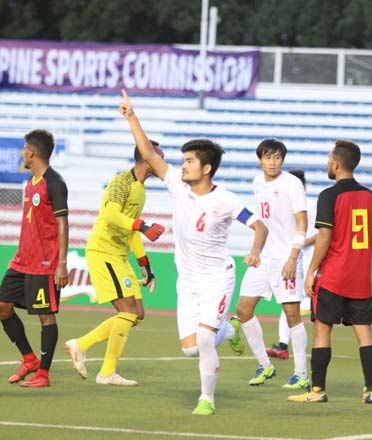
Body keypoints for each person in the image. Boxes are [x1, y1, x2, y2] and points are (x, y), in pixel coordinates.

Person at [119, 89, 268, 415]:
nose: (183, 166)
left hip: (217, 278)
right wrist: (132, 117)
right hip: (188, 282)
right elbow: (148, 153)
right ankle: (230, 329)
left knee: (202, 340)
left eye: (189, 161)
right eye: (183, 161)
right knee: (189, 348)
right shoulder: (178, 185)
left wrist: (255, 252)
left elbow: (260, 227)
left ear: (207, 168)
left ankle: (207, 400)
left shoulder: (226, 200)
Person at [64, 141, 165, 386]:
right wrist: (141, 225)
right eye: (158, 156)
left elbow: (130, 228)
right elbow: (110, 214)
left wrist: (145, 264)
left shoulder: (141, 190)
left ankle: (81, 345)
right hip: (103, 251)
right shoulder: (121, 181)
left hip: (119, 255)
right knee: (128, 312)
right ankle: (106, 372)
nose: (162, 161)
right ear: (146, 158)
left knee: (137, 314)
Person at [288, 139, 372, 405]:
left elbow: (324, 237)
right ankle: (370, 390)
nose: (328, 162)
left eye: (329, 158)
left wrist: (311, 272)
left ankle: (317, 391)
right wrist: (356, 255)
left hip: (333, 276)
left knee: (321, 330)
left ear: (336, 163)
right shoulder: (369, 195)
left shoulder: (329, 195)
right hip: (361, 277)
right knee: (365, 334)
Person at [0, 129, 69, 388]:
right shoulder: (29, 183)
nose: (22, 154)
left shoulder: (55, 183)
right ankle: (29, 359)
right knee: (2, 307)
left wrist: (61, 263)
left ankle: (44, 375)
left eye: (24, 149)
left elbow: (62, 224)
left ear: (32, 152)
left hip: (45, 263)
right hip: (22, 261)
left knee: (46, 316)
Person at [235, 140, 309, 390]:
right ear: (260, 159)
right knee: (244, 309)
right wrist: (255, 251)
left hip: (286, 259)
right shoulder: (257, 183)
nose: (272, 162)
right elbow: (263, 224)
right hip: (264, 259)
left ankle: (301, 374)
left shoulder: (292, 184)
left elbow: (302, 224)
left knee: (292, 316)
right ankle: (265, 365)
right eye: (268, 157)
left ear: (282, 160)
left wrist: (293, 257)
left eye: (277, 157)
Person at [267, 168, 316, 360]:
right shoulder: (284, 206)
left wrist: (299, 243)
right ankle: (283, 345)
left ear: (303, 187)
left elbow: (322, 233)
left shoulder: (311, 206)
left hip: (308, 260)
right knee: (290, 304)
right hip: (291, 259)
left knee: (296, 305)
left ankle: (291, 347)